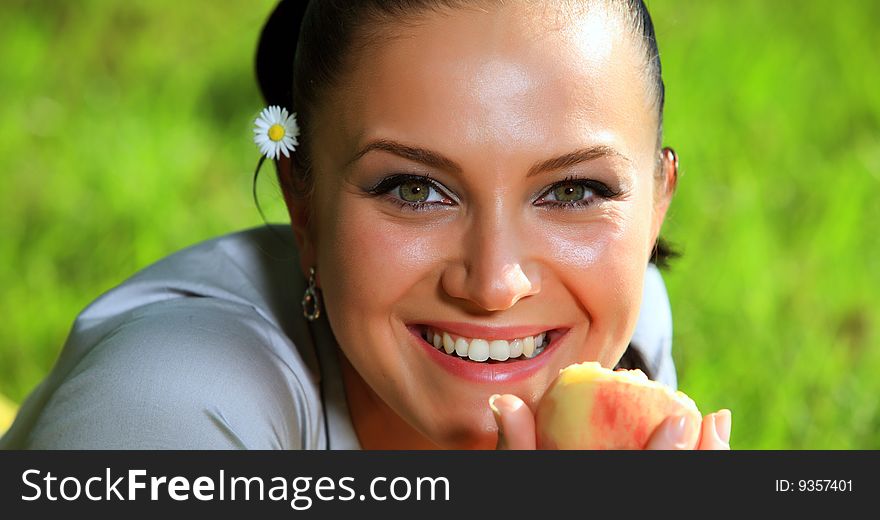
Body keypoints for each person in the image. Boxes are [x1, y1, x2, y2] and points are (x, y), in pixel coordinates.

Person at [1, 0, 730, 450]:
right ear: (304, 204)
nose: (496, 284)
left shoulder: (621, 337)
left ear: (655, 202)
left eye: (573, 191)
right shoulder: (171, 412)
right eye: (415, 189)